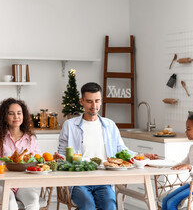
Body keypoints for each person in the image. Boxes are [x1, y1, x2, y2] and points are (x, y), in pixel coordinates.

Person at [57, 82, 158, 210]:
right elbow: (61, 154)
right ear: (82, 101)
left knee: (109, 205)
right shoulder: (70, 125)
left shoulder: (110, 125)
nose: (94, 106)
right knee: (88, 205)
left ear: (101, 101)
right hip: (79, 180)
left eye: (97, 101)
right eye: (89, 101)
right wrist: (58, 158)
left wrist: (141, 156)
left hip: (103, 180)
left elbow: (121, 150)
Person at [0, 98, 41, 210]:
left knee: (33, 202)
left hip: (23, 183)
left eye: (19, 113)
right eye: (11, 113)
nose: (16, 117)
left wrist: (51, 159)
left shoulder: (30, 138)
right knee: (9, 203)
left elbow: (39, 159)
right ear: (5, 117)